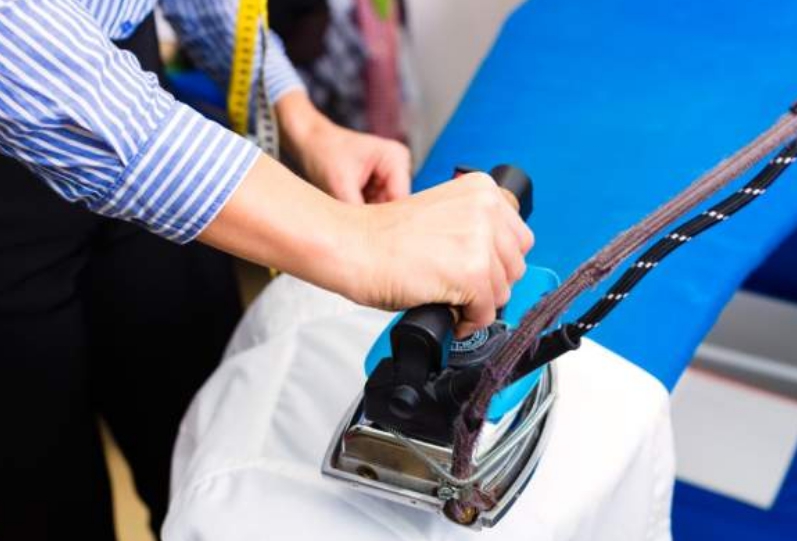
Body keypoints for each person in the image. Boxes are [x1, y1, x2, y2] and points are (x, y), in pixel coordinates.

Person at [0, 1, 533, 540]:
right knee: (45, 494)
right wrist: (358, 239)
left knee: (200, 447)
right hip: (51, 134)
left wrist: (300, 117)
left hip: (136, 95)